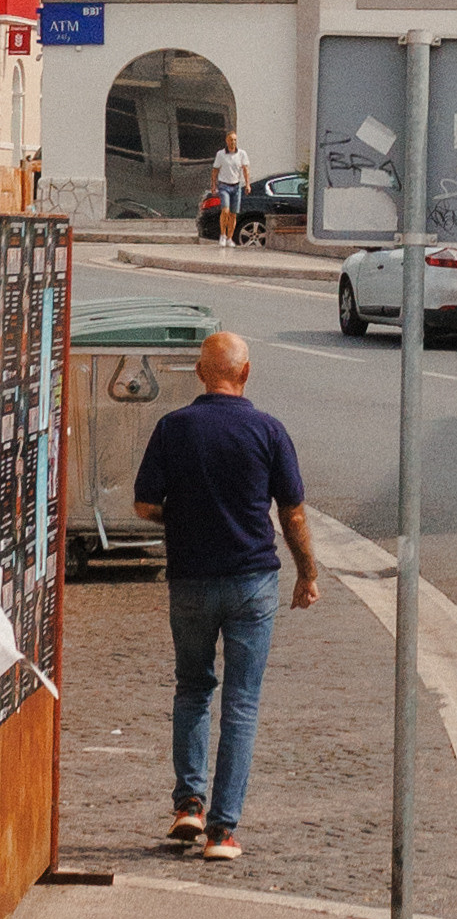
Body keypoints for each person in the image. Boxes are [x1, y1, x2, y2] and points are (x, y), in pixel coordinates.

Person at [132, 330, 317, 864]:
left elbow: (145, 506)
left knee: (192, 687)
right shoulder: (268, 430)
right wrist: (307, 574)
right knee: (241, 703)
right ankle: (222, 832)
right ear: (246, 372)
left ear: (199, 374)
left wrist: (185, 521)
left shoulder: (173, 428)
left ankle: (188, 800)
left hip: (189, 579)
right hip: (251, 580)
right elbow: (293, 514)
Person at [211, 129, 249, 249]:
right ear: (227, 141)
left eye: (235, 140)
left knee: (233, 214)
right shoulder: (221, 154)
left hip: (236, 186)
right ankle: (222, 234)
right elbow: (215, 170)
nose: (233, 142)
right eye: (231, 140)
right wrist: (213, 185)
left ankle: (229, 238)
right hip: (224, 186)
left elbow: (245, 169)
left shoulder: (242, 154)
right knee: (225, 211)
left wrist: (247, 184)